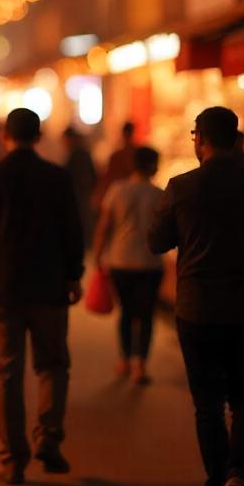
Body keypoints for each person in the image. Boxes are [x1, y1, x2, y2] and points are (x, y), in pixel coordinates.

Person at [0, 108, 84, 485]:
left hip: (3, 289)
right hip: (49, 288)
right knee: (52, 366)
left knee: (7, 373)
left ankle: (12, 460)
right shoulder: (58, 178)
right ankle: (48, 436)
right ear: (39, 135)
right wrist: (74, 275)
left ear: (5, 135)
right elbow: (73, 231)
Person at [148, 106, 244, 486]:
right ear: (235, 138)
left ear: (200, 139)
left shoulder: (181, 186)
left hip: (197, 310)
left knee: (207, 405)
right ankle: (239, 476)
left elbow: (156, 241)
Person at [93, 146, 164, 385]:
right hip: (150, 263)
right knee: (146, 315)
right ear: (153, 166)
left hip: (120, 260)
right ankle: (140, 366)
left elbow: (104, 226)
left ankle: (124, 360)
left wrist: (98, 255)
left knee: (126, 312)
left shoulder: (117, 190)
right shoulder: (159, 194)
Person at [62, 127, 98, 248]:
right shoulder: (82, 153)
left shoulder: (76, 155)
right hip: (83, 193)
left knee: (80, 219)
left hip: (78, 194)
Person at [93, 120, 137, 211]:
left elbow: (109, 177)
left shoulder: (118, 155)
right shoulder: (136, 154)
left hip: (120, 194)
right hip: (133, 193)